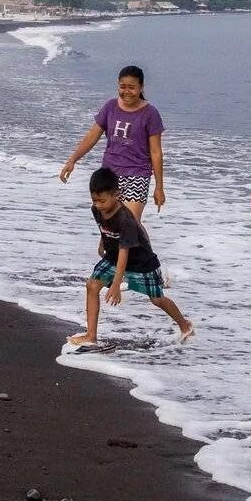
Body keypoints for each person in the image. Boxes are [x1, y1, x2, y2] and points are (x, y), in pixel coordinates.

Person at [68, 167, 193, 347]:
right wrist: (102, 243)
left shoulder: (125, 219)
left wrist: (116, 285)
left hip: (141, 262)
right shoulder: (96, 209)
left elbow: (125, 252)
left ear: (116, 195)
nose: (98, 205)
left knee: (157, 299)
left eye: (102, 200)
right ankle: (91, 335)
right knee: (92, 285)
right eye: (94, 200)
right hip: (114, 255)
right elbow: (104, 227)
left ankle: (184, 325)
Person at [58, 65, 166, 219]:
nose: (126, 92)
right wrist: (72, 160)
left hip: (137, 174)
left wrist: (159, 187)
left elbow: (156, 152)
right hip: (110, 174)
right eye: (122, 87)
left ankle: (143, 244)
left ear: (141, 87)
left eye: (132, 87)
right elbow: (92, 136)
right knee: (110, 226)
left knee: (130, 223)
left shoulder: (150, 113)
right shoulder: (110, 107)